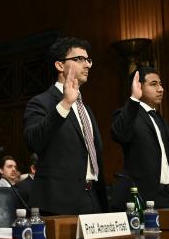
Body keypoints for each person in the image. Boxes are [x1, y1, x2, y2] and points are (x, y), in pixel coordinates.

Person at [23, 37, 107, 215]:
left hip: (92, 200)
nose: (87, 65)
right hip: (58, 205)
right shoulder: (41, 102)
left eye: (88, 60)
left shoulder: (86, 108)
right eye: (79, 59)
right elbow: (33, 141)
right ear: (60, 66)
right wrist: (65, 104)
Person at [111, 67, 169, 210]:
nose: (161, 89)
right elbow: (120, 134)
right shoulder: (127, 114)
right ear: (138, 86)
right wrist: (134, 99)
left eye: (160, 84)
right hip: (143, 196)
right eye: (153, 84)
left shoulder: (160, 119)